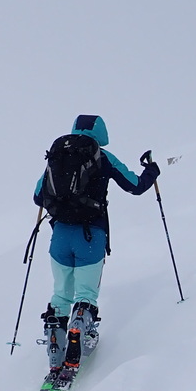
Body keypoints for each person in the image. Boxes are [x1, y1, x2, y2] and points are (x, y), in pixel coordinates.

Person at [34, 114, 159, 376]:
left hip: (59, 237)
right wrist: (152, 171)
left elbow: (37, 196)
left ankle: (56, 349)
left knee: (60, 295)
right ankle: (81, 327)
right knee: (85, 294)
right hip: (91, 236)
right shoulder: (103, 157)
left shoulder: (58, 153)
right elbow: (135, 186)